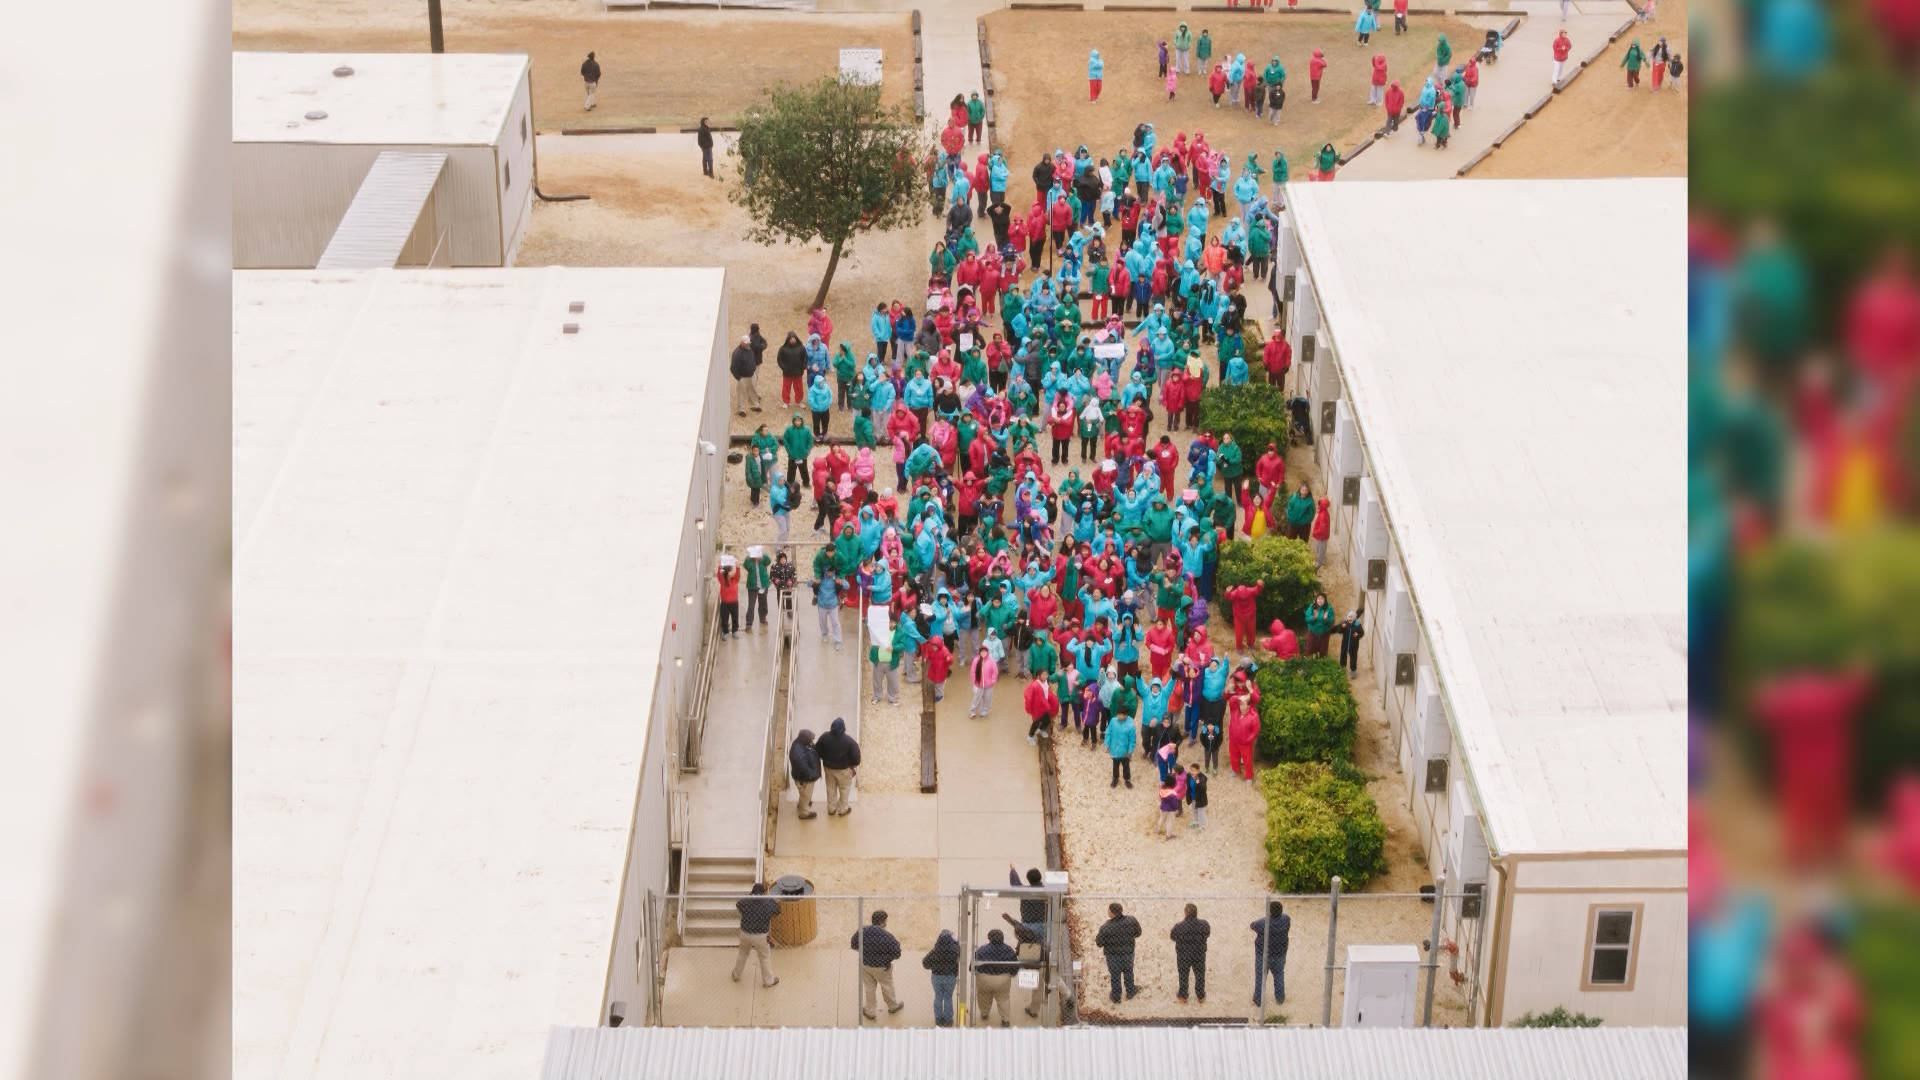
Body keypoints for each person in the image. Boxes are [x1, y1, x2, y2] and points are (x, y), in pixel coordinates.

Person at [850, 910, 906, 1018]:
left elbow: (853, 944)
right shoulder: (887, 936)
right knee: (887, 986)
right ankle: (893, 1006)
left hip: (865, 965)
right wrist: (886, 960)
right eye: (885, 921)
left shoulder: (863, 930)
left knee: (869, 988)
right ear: (882, 922)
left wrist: (863, 952)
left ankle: (870, 1012)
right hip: (882, 968)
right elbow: (897, 953)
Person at [731, 883, 781, 987]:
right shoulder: (768, 902)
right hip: (761, 936)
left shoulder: (746, 901)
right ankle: (768, 981)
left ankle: (736, 975)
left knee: (742, 954)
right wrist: (774, 901)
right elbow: (777, 911)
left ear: (752, 892)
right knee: (764, 958)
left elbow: (738, 904)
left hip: (745, 933)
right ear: (764, 892)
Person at [1095, 902, 1142, 1002]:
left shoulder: (1105, 927)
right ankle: (1130, 991)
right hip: (1128, 953)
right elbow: (1138, 933)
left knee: (1115, 976)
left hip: (1113, 956)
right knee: (1128, 971)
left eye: (1108, 910)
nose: (1107, 911)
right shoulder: (1131, 920)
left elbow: (1099, 943)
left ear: (1112, 913)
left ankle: (1116, 997)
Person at [816, 716, 861, 816]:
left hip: (828, 769)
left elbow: (817, 751)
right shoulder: (849, 741)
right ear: (843, 728)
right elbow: (856, 757)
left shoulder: (824, 737)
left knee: (830, 789)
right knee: (844, 789)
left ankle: (831, 809)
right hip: (844, 770)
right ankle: (843, 809)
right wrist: (852, 766)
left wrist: (825, 758)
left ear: (831, 727)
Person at [972, 928, 1018, 1026]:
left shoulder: (981, 949)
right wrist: (1012, 974)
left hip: (985, 978)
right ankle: (1005, 1020)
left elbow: (972, 966)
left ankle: (984, 1013)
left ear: (989, 938)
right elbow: (1015, 966)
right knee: (1003, 999)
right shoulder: (1008, 949)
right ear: (1002, 938)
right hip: (1002, 978)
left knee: (983, 996)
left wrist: (976, 972)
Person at [1251, 900, 1291, 1006]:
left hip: (1263, 954)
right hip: (1280, 954)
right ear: (1281, 911)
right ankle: (1280, 999)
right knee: (1279, 975)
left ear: (1269, 911)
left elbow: (1252, 925)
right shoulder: (1286, 919)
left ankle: (1258, 1000)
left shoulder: (1263, 923)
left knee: (1260, 977)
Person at [1171, 902, 1211, 1003]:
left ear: (1185, 913)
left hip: (1183, 955)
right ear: (1196, 913)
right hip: (1199, 954)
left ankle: (1183, 996)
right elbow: (1207, 934)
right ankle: (1200, 996)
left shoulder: (1179, 926)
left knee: (1183, 975)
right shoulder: (1204, 924)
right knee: (1200, 975)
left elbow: (1172, 937)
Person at [923, 930, 962, 1027]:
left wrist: (934, 966)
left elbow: (925, 963)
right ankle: (948, 1020)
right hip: (950, 977)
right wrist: (956, 942)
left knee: (938, 997)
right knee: (948, 997)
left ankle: (938, 1020)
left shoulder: (935, 951)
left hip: (937, 977)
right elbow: (959, 949)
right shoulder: (955, 951)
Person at [788, 729, 822, 819]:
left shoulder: (800, 743)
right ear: (805, 739)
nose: (812, 741)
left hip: (802, 777)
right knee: (806, 795)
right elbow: (803, 767)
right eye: (811, 739)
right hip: (805, 778)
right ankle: (804, 813)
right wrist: (812, 775)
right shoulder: (798, 751)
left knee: (803, 793)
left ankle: (801, 804)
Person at [1105, 701, 1137, 787]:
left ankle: (1127, 779)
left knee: (1126, 766)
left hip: (1125, 752)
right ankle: (1115, 778)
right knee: (1115, 766)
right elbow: (1108, 732)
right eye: (1118, 714)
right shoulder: (1113, 721)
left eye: (1122, 715)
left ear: (1126, 715)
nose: (1120, 716)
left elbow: (1132, 740)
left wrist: (1130, 751)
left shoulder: (1131, 725)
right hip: (1115, 750)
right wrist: (1107, 745)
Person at [730, 334, 762, 415]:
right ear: (742, 343)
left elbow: (752, 359)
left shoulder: (749, 349)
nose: (748, 344)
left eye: (748, 343)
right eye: (746, 343)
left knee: (753, 390)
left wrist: (753, 370)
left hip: (752, 375)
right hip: (742, 377)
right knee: (742, 393)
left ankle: (756, 405)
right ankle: (741, 410)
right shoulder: (737, 353)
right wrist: (739, 378)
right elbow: (733, 368)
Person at [742, 545, 771, 630]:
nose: (756, 557)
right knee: (751, 605)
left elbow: (769, 560)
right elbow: (745, 565)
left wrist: (763, 553)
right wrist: (749, 555)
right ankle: (749, 623)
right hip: (752, 586)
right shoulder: (749, 561)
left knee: (763, 603)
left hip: (763, 585)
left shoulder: (763, 559)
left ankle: (763, 618)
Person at [969, 643, 1001, 717]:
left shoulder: (991, 661)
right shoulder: (976, 660)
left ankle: (984, 711)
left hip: (989, 685)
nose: (983, 653)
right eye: (982, 651)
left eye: (985, 651)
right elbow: (972, 671)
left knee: (987, 699)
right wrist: (974, 681)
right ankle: (972, 711)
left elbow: (995, 672)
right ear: (979, 652)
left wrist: (993, 681)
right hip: (978, 684)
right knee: (976, 698)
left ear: (987, 652)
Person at [1333, 609, 1366, 673]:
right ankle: (1342, 668)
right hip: (1345, 644)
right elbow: (1339, 631)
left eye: (1351, 617)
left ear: (1354, 618)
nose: (1350, 618)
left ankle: (1353, 670)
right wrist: (1342, 627)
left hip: (1354, 645)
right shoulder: (1345, 624)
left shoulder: (1357, 625)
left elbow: (1362, 633)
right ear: (1347, 617)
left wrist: (1357, 635)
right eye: (1349, 617)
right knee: (1343, 655)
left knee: (1353, 657)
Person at [716, 556, 742, 638]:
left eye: (730, 572)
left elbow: (738, 574)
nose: (730, 574)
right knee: (724, 618)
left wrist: (737, 567)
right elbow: (719, 574)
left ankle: (735, 631)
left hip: (734, 602)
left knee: (735, 617)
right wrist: (720, 565)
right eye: (728, 572)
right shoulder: (722, 580)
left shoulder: (735, 579)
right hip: (724, 603)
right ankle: (725, 632)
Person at [1186, 765, 1209, 830]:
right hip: (1193, 797)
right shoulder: (1189, 776)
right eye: (1191, 770)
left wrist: (1198, 783)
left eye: (1193, 770)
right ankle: (1195, 822)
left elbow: (1204, 789)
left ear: (1198, 771)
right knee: (1194, 810)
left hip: (1200, 799)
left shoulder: (1202, 778)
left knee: (1201, 812)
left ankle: (1203, 826)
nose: (1192, 772)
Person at [1309, 496, 1331, 565]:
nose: (1318, 506)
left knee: (1320, 549)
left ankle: (1319, 562)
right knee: (1322, 548)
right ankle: (1322, 560)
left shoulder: (1323, 515)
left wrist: (1315, 532)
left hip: (1321, 536)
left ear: (1322, 506)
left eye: (1319, 504)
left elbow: (1322, 528)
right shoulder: (1324, 512)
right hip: (1323, 536)